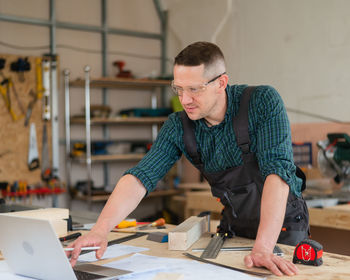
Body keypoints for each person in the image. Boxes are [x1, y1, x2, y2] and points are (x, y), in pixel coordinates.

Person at [66, 41, 309, 276]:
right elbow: (141, 177)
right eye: (179, 89)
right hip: (234, 226)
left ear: (221, 82)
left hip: (283, 228)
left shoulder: (261, 102)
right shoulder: (178, 126)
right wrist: (100, 230)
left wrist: (264, 248)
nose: (184, 100)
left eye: (194, 89)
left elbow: (277, 173)